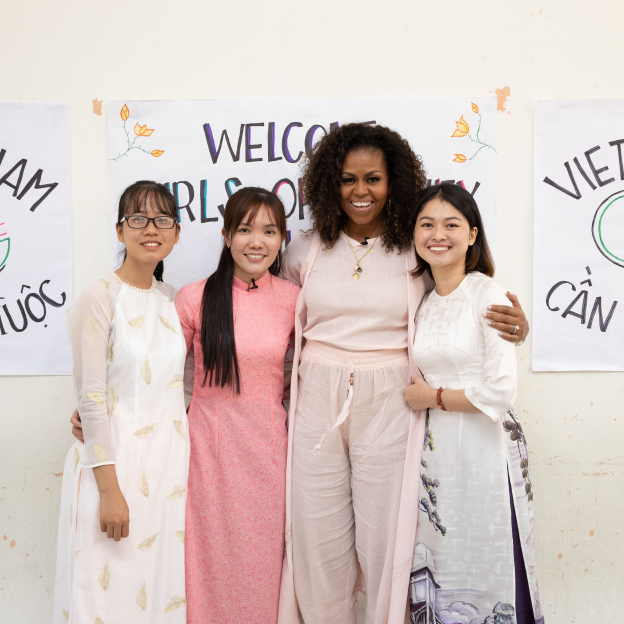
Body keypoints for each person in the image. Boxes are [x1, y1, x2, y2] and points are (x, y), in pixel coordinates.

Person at [278, 124, 529, 624]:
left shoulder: (413, 249)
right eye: (348, 179)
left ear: (394, 183)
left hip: (393, 398)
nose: (361, 190)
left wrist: (515, 327)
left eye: (374, 178)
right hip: (316, 398)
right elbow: (274, 324)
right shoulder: (304, 250)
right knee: (316, 538)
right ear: (331, 183)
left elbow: (461, 300)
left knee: (387, 542)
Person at [404, 183, 543, 624]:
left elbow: (501, 392)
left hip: (485, 451)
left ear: (472, 235)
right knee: (445, 559)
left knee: (491, 557)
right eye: (426, 224)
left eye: (451, 224)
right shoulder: (424, 300)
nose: (437, 234)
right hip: (437, 456)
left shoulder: (489, 296)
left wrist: (434, 397)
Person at [53, 181, 190, 624]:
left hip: (170, 472)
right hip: (113, 470)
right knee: (104, 596)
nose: (150, 229)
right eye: (138, 218)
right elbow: (91, 400)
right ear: (119, 230)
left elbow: (186, 388)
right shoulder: (99, 297)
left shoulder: (176, 302)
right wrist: (109, 492)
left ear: (176, 232)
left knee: (159, 592)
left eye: (162, 219)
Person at [175, 187, 300, 624]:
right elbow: (164, 372)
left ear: (283, 238)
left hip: (267, 452)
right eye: (245, 229)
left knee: (264, 564)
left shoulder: (292, 299)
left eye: (269, 231)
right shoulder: (194, 297)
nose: (256, 242)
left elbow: (307, 371)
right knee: (205, 560)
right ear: (227, 236)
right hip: (207, 450)